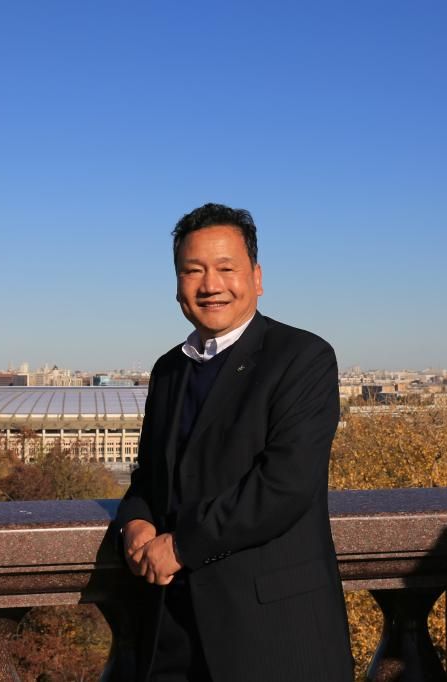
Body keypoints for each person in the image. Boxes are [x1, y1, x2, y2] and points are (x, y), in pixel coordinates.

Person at [115, 203, 353, 681]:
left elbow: (284, 486)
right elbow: (151, 475)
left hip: (271, 634)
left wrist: (181, 546)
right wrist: (135, 520)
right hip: (172, 632)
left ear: (256, 278)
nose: (210, 285)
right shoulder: (170, 369)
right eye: (193, 270)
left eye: (226, 268)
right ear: (178, 283)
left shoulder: (302, 357)